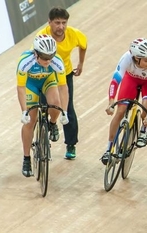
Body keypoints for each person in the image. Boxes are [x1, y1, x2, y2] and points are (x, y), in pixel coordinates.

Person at [101, 38, 147, 165]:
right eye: (146, 60)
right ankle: (108, 149)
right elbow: (115, 80)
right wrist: (111, 101)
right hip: (131, 79)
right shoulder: (126, 58)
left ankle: (144, 131)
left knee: (146, 107)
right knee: (120, 111)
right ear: (136, 58)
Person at [37, 7, 87, 160]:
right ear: (49, 22)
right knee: (43, 106)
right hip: (45, 75)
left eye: (64, 23)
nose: (61, 27)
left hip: (64, 74)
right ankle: (44, 137)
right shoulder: (41, 36)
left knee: (67, 108)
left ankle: (71, 144)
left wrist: (80, 63)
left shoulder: (74, 34)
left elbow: (83, 46)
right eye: (57, 23)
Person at [17, 35, 69, 176]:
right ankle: (26, 158)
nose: (48, 60)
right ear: (36, 53)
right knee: (30, 121)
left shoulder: (56, 62)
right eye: (45, 57)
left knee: (55, 103)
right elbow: (21, 88)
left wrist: (64, 111)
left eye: (51, 56)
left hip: (48, 81)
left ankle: (52, 124)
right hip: (30, 85)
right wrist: (24, 111)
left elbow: (63, 88)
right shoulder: (25, 61)